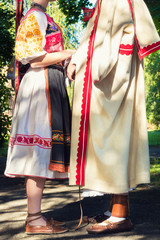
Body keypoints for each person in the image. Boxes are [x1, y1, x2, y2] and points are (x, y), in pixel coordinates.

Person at [67, 0, 160, 234]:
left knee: (115, 137)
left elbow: (118, 34)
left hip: (114, 76)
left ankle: (121, 215)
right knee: (111, 137)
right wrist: (80, 58)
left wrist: (94, 64)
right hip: (111, 73)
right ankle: (115, 210)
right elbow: (98, 33)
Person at [4, 0, 75, 235]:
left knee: (41, 153)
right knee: (38, 152)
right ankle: (34, 219)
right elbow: (34, 59)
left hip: (47, 84)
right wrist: (72, 53)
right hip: (40, 86)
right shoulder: (35, 16)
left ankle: (36, 216)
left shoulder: (40, 15)